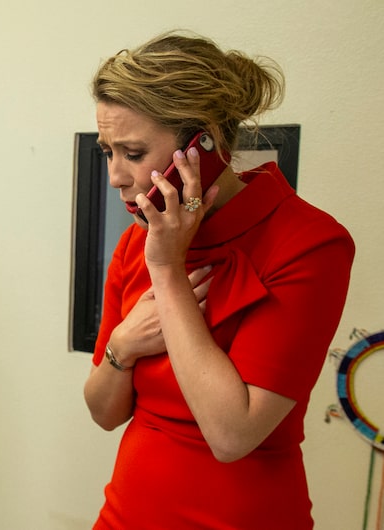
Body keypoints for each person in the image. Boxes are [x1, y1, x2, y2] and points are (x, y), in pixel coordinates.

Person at [83, 31, 354, 529]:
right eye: (107, 152)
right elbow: (103, 413)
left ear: (202, 142)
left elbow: (232, 435)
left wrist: (167, 272)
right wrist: (123, 344)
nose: (115, 176)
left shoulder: (310, 244)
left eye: (134, 152)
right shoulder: (134, 242)